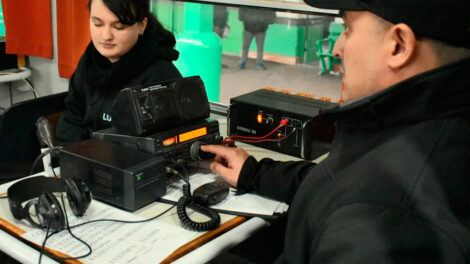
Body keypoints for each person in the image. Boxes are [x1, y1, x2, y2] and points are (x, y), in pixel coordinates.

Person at [203, 0, 470, 263]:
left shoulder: (383, 220)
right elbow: (343, 179)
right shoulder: (423, 132)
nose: (338, 49)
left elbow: (363, 191)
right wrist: (254, 173)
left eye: (348, 28)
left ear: (398, 45)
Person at [55, 0, 182, 146]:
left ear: (142, 26)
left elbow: (156, 146)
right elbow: (72, 120)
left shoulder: (160, 76)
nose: (106, 36)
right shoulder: (90, 61)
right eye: (98, 24)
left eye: (119, 27)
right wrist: (73, 159)